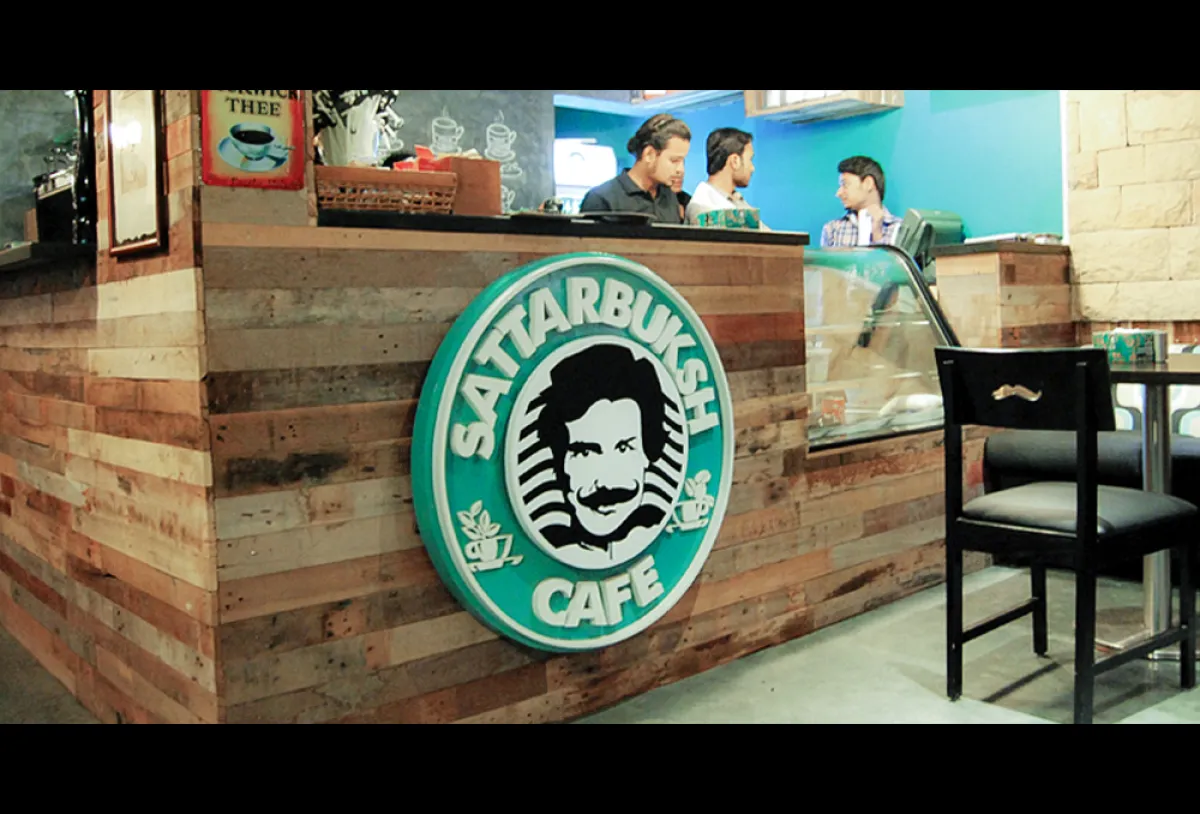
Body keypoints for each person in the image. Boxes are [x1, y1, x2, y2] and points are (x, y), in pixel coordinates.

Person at [520, 343, 685, 555]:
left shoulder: (664, 534)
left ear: (647, 452)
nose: (607, 483)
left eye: (624, 448)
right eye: (585, 453)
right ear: (560, 461)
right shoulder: (546, 543)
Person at [579, 114, 690, 224]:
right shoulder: (602, 199)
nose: (681, 170)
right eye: (674, 161)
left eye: (683, 161)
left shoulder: (669, 197)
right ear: (649, 154)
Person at [685, 128, 764, 227]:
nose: (752, 168)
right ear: (734, 161)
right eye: (750, 160)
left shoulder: (737, 200)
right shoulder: (703, 207)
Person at [820, 155, 902, 247]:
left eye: (845, 184)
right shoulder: (832, 229)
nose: (838, 193)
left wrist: (877, 235)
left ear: (868, 183)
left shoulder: (899, 229)